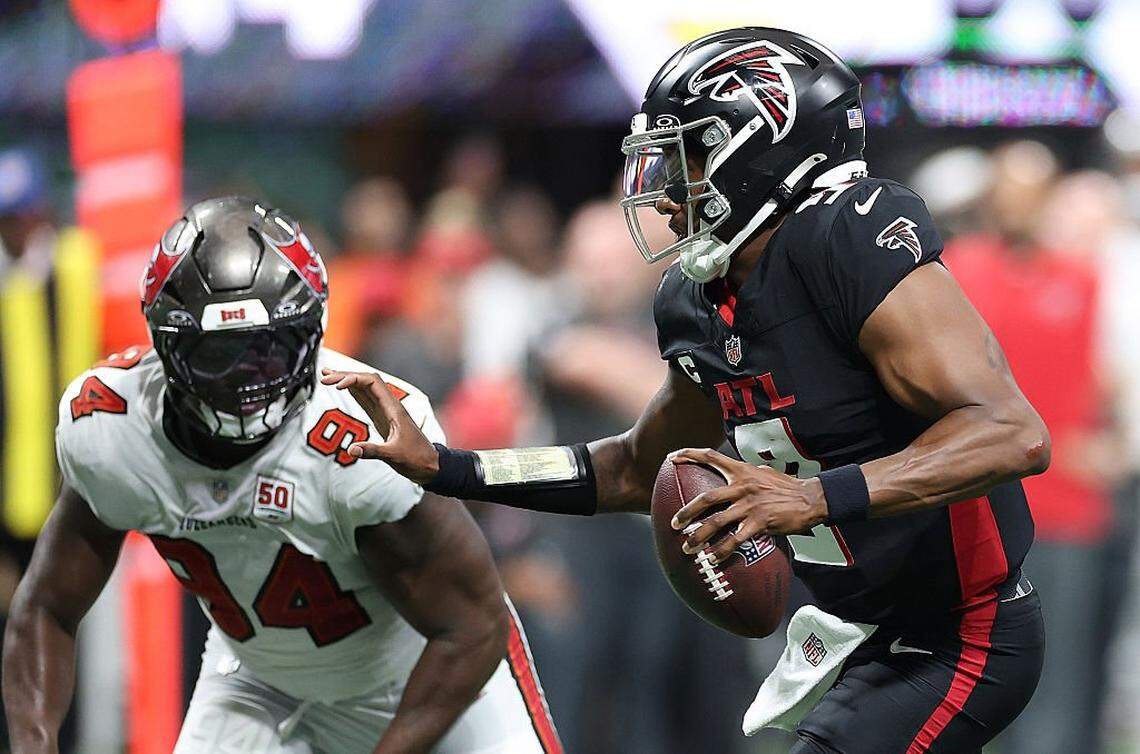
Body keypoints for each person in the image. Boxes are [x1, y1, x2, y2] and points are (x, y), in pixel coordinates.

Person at [321, 27, 1048, 754]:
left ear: (765, 146)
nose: (666, 190)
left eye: (688, 158)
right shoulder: (697, 299)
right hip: (853, 632)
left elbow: (1011, 432)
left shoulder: (846, 239)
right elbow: (636, 468)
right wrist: (451, 467)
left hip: (962, 631)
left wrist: (813, 497)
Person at [3, 197, 561, 754]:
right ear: (167, 346)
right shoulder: (113, 429)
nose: (249, 377)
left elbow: (472, 627)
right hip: (257, 680)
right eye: (219, 353)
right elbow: (47, 607)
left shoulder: (359, 434)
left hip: (417, 678)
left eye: (272, 348)